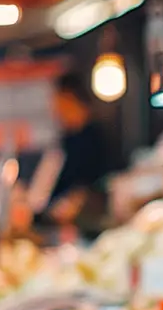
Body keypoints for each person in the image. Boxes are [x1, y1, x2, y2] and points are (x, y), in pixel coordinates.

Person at [44, 71, 115, 231]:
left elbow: (100, 181)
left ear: (70, 97)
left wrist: (78, 200)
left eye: (59, 101)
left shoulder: (94, 136)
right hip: (62, 224)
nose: (55, 108)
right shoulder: (65, 140)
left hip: (90, 223)